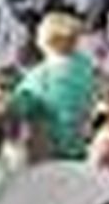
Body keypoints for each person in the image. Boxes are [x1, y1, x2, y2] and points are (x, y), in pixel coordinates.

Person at [6, 10, 98, 158]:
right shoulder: (84, 64)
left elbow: (19, 106)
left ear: (44, 43)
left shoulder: (40, 77)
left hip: (53, 146)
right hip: (81, 141)